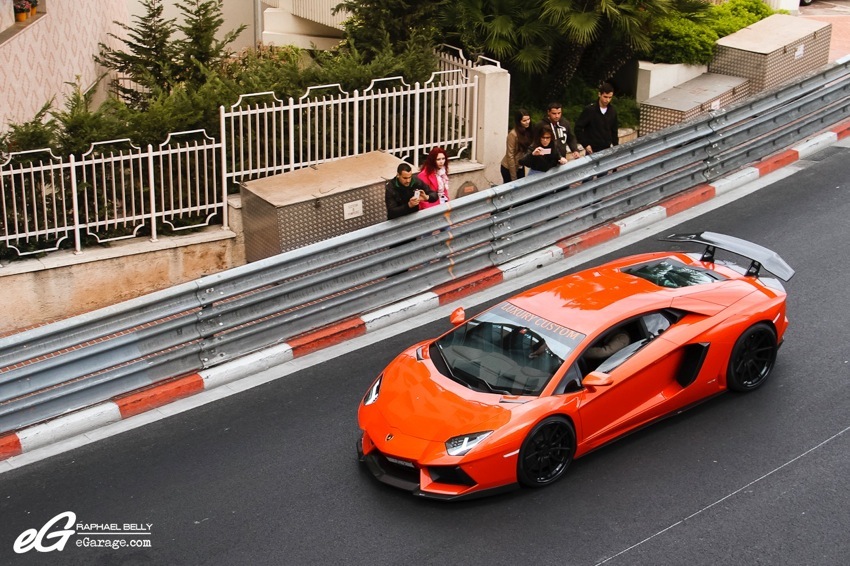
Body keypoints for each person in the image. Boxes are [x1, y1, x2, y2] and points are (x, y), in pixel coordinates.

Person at [575, 82, 619, 156]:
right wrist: (585, 144)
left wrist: (616, 148)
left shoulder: (612, 111)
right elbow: (578, 128)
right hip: (592, 150)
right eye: (605, 97)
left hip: (607, 149)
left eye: (610, 97)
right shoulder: (590, 110)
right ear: (599, 94)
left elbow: (614, 131)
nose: (607, 100)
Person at [500, 109, 533, 183]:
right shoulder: (513, 134)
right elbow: (510, 155)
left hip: (520, 165)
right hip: (509, 167)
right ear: (519, 122)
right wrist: (513, 177)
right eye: (524, 121)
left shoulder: (528, 131)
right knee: (511, 189)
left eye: (528, 119)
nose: (527, 122)